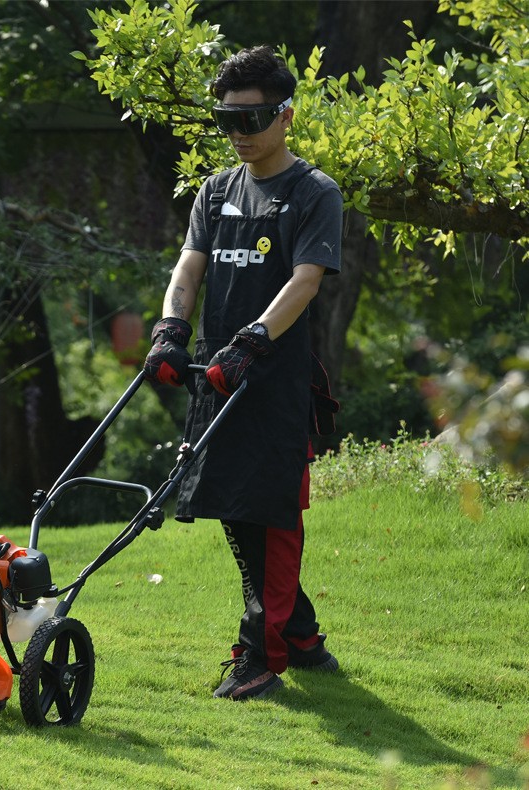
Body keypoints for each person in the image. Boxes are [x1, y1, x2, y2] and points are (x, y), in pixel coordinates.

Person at [144, 45, 342, 701]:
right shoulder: (217, 189)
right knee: (234, 507)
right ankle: (303, 635)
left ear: (285, 116)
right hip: (219, 378)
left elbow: (306, 281)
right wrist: (171, 328)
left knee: (273, 516)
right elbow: (189, 266)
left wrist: (253, 341)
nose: (238, 134)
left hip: (275, 385)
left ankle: (263, 656)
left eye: (251, 120)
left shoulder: (313, 194)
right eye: (227, 120)